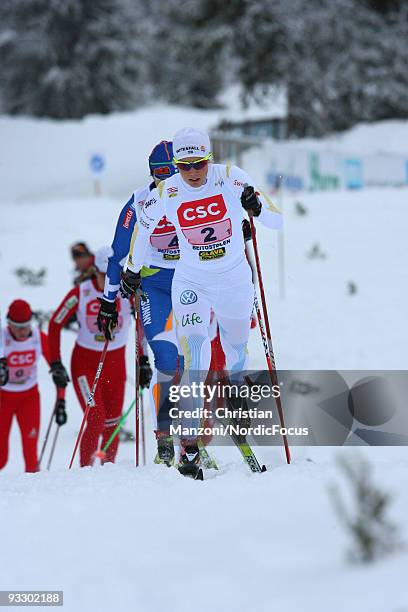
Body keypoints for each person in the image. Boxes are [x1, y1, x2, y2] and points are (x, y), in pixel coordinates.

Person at [120, 127, 282, 478]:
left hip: (234, 281)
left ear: (209, 159)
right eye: (184, 164)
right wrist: (132, 270)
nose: (193, 172)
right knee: (195, 356)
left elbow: (277, 218)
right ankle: (189, 448)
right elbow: (144, 233)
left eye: (199, 163)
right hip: (191, 282)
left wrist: (256, 206)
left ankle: (237, 403)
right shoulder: (168, 190)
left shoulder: (229, 178)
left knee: (235, 352)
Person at [97, 141, 180, 466]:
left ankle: (191, 434)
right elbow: (117, 253)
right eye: (158, 173)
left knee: (192, 360)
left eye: (170, 172)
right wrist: (108, 301)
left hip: (193, 284)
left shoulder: (198, 193)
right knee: (165, 357)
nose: (165, 179)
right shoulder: (138, 202)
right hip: (154, 286)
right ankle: (164, 435)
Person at [48, 246, 132, 466]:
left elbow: (144, 322)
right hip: (85, 365)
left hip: (116, 365)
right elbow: (55, 323)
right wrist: (56, 362)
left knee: (112, 423)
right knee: (96, 420)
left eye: (113, 275)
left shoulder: (127, 292)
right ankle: (85, 473)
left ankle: (107, 470)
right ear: (94, 271)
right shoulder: (82, 292)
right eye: (104, 275)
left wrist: (143, 359)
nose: (108, 280)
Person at [0, 300, 59, 472]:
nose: (21, 331)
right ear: (8, 323)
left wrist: (61, 401)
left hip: (29, 399)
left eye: (25, 326)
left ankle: (34, 495)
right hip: (3, 400)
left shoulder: (38, 338)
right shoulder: (2, 339)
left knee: (31, 455)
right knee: (1, 458)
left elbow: (58, 370)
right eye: (17, 326)